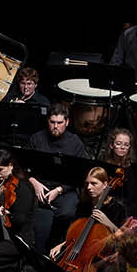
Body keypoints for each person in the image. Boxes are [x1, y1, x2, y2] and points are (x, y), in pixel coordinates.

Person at [28, 105, 87, 247]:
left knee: (67, 212)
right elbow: (24, 166)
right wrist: (34, 182)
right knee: (25, 206)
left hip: (63, 188)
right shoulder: (37, 138)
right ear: (48, 121)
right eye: (52, 122)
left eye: (59, 123)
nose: (55, 126)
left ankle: (55, 245)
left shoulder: (75, 143)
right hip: (39, 185)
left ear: (67, 122)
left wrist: (59, 190)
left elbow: (79, 173)